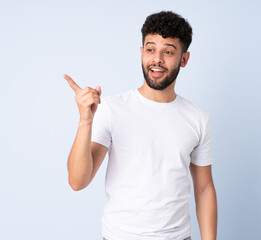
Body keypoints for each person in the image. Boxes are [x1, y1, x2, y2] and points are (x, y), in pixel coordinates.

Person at [64, 11, 217, 240]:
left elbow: (204, 188)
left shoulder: (198, 118)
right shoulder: (112, 109)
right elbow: (77, 181)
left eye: (168, 51)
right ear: (141, 53)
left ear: (184, 59)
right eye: (150, 49)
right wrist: (86, 120)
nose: (157, 59)